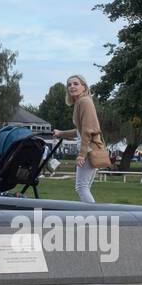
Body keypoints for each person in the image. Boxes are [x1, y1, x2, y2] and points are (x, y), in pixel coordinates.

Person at [50, 74, 103, 204]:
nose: (72, 87)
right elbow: (80, 131)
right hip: (91, 148)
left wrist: (82, 154)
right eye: (69, 85)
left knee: (81, 187)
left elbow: (88, 130)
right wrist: (61, 133)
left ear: (84, 86)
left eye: (76, 84)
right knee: (85, 187)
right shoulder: (81, 102)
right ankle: (92, 217)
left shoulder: (84, 102)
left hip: (88, 149)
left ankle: (94, 217)